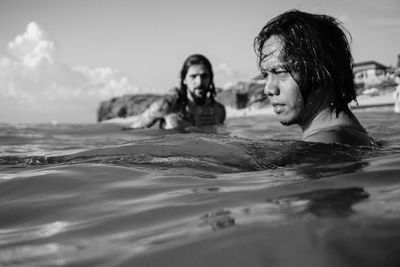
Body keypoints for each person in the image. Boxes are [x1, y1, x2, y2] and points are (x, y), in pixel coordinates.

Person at [254, 10, 374, 146]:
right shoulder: (353, 137)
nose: (268, 89)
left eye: (281, 72)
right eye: (266, 75)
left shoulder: (324, 145)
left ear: (321, 72)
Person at [124, 54, 226, 130]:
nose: (199, 82)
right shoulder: (165, 106)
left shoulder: (219, 111)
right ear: (184, 80)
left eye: (204, 76)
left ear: (210, 78)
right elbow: (130, 133)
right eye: (193, 76)